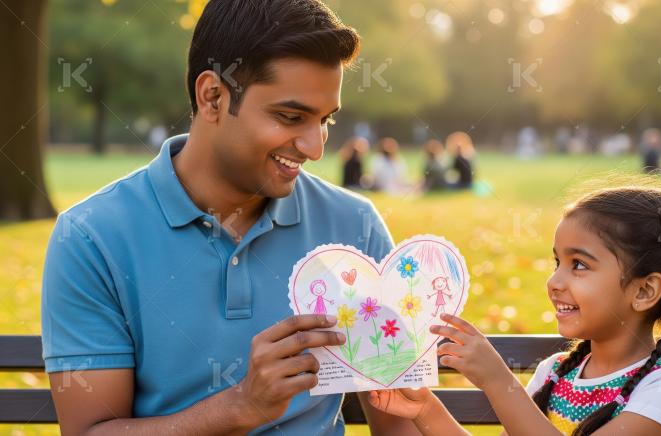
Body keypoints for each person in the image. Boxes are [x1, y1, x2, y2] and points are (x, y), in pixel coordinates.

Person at [41, 1, 413, 434]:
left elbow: (400, 426)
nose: (315, 147)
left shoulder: (354, 227)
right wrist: (242, 406)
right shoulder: (91, 239)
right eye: (291, 117)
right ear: (213, 96)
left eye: (325, 120)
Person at [368, 187, 661, 436]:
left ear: (644, 290)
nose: (554, 281)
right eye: (557, 262)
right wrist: (425, 409)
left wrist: (499, 382)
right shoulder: (554, 374)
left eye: (579, 265)